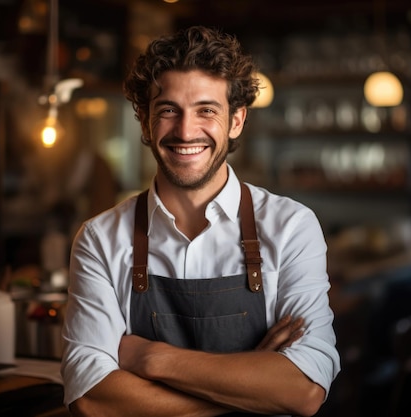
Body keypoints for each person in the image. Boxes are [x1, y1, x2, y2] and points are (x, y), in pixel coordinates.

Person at [61, 25, 341, 417]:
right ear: (144, 120)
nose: (186, 130)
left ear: (237, 120)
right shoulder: (99, 238)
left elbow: (303, 390)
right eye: (168, 110)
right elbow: (91, 398)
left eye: (206, 110)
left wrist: (152, 359)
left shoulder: (291, 226)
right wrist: (250, 389)